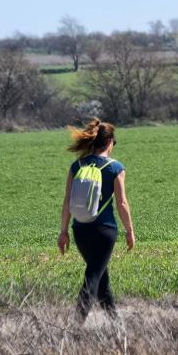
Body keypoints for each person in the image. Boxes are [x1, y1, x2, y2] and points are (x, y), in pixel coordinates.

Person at [58, 118, 136, 322]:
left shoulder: (77, 166)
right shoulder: (115, 168)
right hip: (105, 231)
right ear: (109, 142)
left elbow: (67, 201)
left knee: (100, 278)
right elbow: (122, 203)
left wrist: (63, 231)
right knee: (93, 278)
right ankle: (76, 325)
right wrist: (130, 231)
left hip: (80, 230)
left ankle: (115, 324)